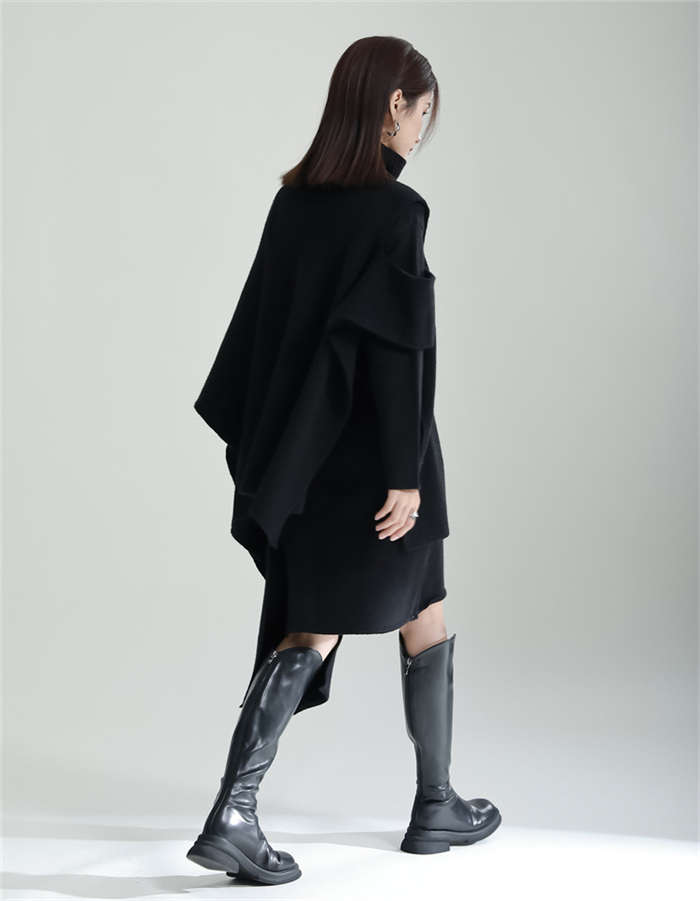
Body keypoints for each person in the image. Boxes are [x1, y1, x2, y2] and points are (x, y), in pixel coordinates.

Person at [187, 35, 501, 886]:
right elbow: (399, 352)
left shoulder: (292, 205)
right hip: (381, 462)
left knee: (422, 606)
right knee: (319, 628)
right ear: (393, 105)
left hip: (306, 460)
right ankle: (234, 812)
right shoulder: (398, 213)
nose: (422, 131)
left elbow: (263, 335)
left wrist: (273, 456)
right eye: (422, 113)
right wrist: (404, 472)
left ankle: (435, 801)